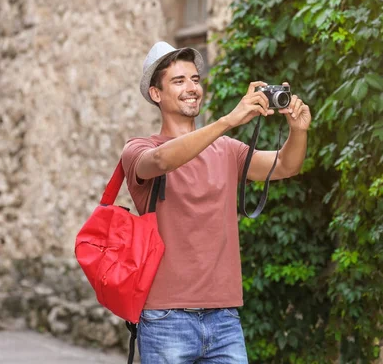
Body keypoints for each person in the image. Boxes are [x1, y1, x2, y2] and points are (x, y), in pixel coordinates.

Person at [121, 41, 312, 363]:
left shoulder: (226, 149)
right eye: (178, 81)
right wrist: (228, 120)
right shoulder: (139, 148)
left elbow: (285, 166)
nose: (191, 88)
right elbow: (163, 160)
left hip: (224, 317)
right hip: (165, 317)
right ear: (156, 94)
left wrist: (298, 130)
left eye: (195, 79)